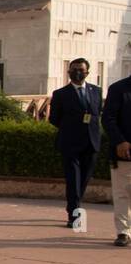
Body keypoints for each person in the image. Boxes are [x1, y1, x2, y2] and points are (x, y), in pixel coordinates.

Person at [49, 57, 103, 228]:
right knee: (73, 180)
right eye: (74, 69)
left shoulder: (96, 91)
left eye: (81, 69)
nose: (77, 72)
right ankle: (75, 215)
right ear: (69, 72)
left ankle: (74, 203)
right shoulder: (60, 94)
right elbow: (54, 119)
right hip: (70, 143)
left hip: (91, 142)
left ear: (87, 72)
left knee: (84, 179)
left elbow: (97, 113)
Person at [102, 71, 131, 247]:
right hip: (124, 151)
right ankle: (123, 232)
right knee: (122, 193)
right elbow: (108, 118)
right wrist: (120, 141)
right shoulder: (119, 89)